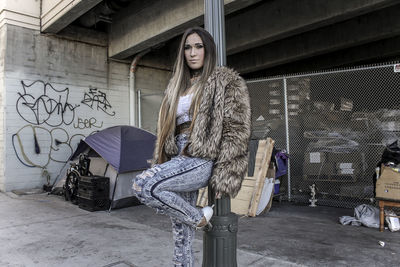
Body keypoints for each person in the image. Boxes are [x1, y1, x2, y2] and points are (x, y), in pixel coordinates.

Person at [132, 27, 251, 267]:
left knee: (143, 185)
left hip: (200, 158)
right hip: (178, 155)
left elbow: (236, 130)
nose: (192, 52)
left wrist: (226, 175)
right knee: (181, 238)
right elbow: (167, 130)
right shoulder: (176, 86)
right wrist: (163, 159)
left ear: (208, 50)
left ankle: (198, 218)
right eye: (187, 47)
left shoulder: (224, 81)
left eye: (198, 46)